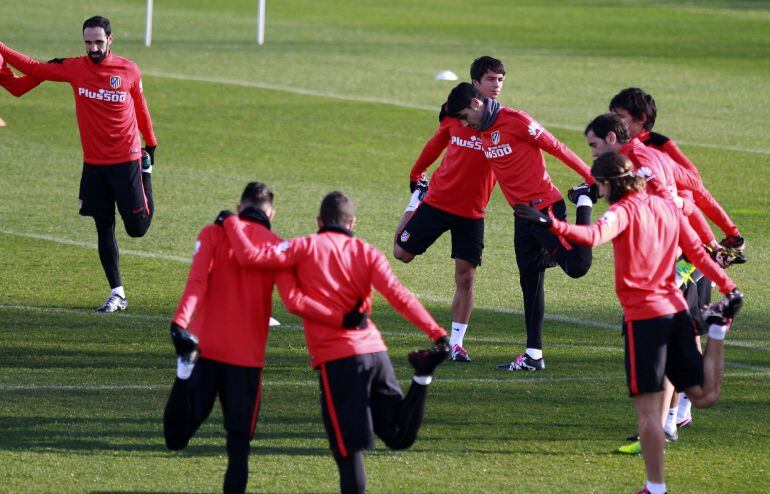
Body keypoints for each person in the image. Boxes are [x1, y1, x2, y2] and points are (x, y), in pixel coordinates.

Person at [514, 152, 743, 494]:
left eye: (600, 186)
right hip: (677, 309)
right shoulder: (667, 206)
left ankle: (655, 488)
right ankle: (717, 330)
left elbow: (592, 236)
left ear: (609, 184)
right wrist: (729, 288)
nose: (601, 193)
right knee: (704, 394)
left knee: (648, 412)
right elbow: (697, 252)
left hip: (645, 319)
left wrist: (551, 224)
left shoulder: (622, 211)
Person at [219, 191, 450, 494]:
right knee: (397, 435)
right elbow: (399, 296)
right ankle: (422, 375)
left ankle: (422, 375)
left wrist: (231, 222)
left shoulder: (302, 248)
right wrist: (437, 333)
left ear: (319, 221)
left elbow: (253, 258)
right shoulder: (367, 252)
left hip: (340, 361)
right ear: (352, 223)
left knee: (348, 454)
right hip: (375, 352)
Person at [163, 182, 364, 494]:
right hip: (246, 361)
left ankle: (182, 370)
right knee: (238, 449)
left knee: (176, 438)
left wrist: (179, 324)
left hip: (206, 350)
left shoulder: (212, 233)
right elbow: (294, 302)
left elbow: (196, 283)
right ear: (271, 214)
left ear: (239, 207)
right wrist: (342, 317)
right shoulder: (277, 246)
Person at [0, 16, 157, 312]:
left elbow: (141, 106)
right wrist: (2, 49)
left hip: (127, 161)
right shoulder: (75, 68)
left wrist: (151, 143)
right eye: (88, 42)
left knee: (137, 229)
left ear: (110, 39)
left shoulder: (128, 70)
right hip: (95, 165)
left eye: (98, 42)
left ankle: (146, 172)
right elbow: (32, 69)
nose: (93, 48)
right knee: (103, 226)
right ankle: (117, 293)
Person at [444, 82, 596, 371]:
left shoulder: (517, 121)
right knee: (530, 283)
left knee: (577, 266)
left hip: (545, 209)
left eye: (464, 116)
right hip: (522, 216)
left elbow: (557, 147)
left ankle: (584, 201)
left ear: (476, 104)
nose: (464, 124)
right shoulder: (482, 130)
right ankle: (533, 354)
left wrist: (591, 178)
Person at [393, 56, 503, 362]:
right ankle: (416, 201)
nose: (496, 85)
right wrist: (417, 174)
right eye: (490, 79)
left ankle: (456, 344)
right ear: (476, 84)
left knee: (465, 277)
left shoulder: (505, 123)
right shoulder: (454, 115)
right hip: (437, 201)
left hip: (472, 213)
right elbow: (435, 144)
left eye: (500, 79)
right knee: (401, 253)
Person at [609, 87, 745, 254]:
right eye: (612, 115)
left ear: (641, 119)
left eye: (620, 116)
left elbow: (694, 182)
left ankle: (718, 245)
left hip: (670, 216)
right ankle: (719, 245)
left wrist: (680, 200)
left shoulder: (655, 146)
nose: (613, 121)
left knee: (688, 192)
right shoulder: (624, 144)